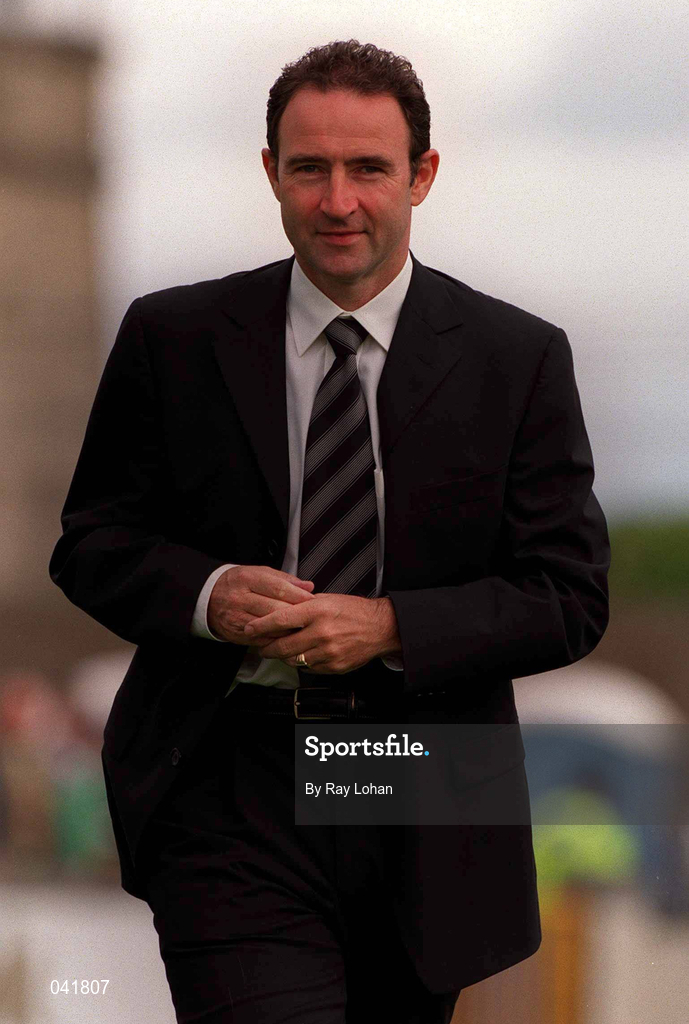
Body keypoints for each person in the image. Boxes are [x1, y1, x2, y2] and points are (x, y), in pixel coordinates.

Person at [50, 39, 610, 1024]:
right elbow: (93, 540)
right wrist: (209, 593)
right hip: (229, 779)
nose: (337, 201)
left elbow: (567, 595)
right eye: (309, 168)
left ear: (420, 176)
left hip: (425, 786)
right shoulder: (171, 339)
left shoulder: (515, 358)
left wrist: (392, 626)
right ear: (271, 171)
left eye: (367, 169)